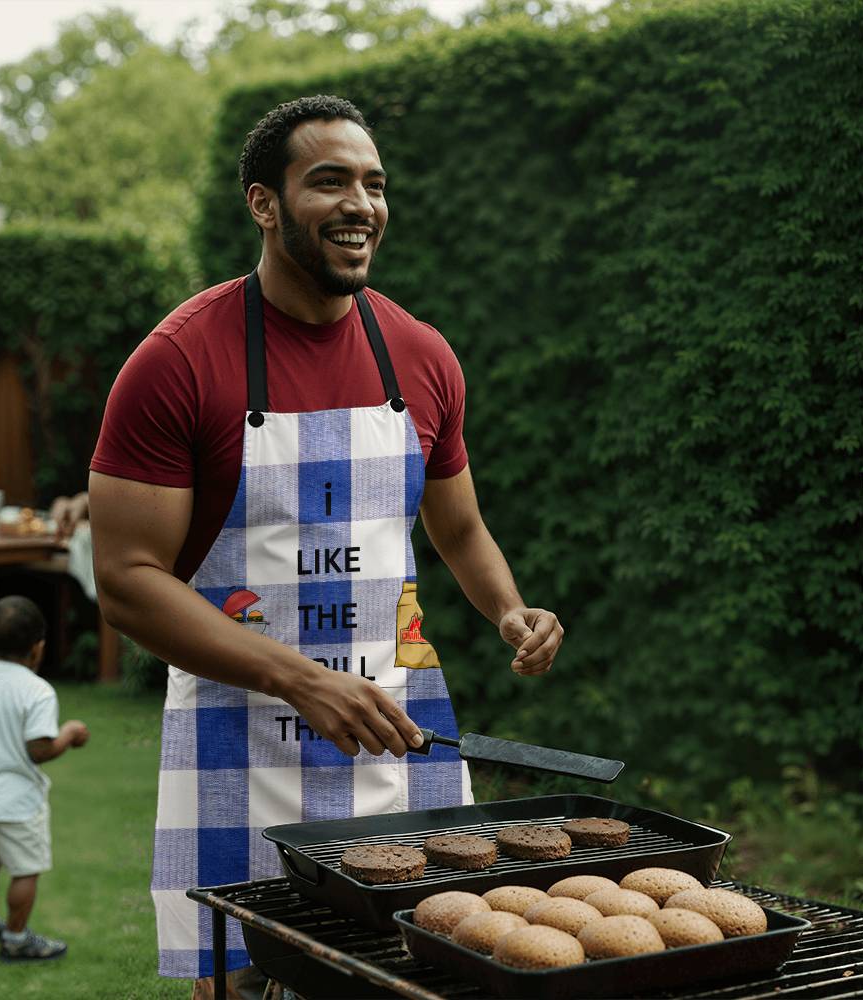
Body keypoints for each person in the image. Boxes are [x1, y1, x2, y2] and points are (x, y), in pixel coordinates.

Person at [88, 94, 564, 993]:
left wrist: (509, 608)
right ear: (263, 203)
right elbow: (126, 581)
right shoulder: (178, 361)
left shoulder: (422, 355)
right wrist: (302, 680)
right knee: (243, 978)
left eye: (374, 185)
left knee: (421, 972)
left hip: (399, 737)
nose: (362, 205)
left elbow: (458, 525)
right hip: (239, 748)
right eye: (331, 181)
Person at [0, 594, 90, 963]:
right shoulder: (36, 690)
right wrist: (69, 734)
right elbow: (39, 749)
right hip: (15, 801)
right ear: (38, 646)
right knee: (25, 870)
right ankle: (16, 938)